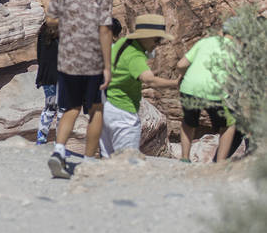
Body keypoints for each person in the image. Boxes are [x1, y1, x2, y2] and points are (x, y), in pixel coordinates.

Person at [45, 0, 115, 179]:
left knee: (70, 107)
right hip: (93, 59)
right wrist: (107, 66)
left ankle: (59, 151)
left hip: (68, 57)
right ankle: (88, 160)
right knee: (95, 108)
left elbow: (51, 18)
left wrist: (68, 24)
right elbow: (105, 29)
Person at [100, 14, 178, 157]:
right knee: (128, 160)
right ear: (146, 37)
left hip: (107, 108)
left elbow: (122, 69)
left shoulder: (122, 43)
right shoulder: (135, 56)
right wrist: (176, 83)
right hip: (124, 112)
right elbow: (150, 81)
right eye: (157, 39)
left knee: (107, 158)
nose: (158, 43)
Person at [177, 19, 243, 162]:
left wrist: (183, 77)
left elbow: (181, 64)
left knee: (189, 121)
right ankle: (219, 164)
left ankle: (184, 158)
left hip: (189, 87)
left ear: (223, 31)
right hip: (215, 92)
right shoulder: (237, 49)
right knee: (228, 125)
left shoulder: (205, 42)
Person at [35, 21, 60, 145]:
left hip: (46, 77)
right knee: (62, 110)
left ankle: (41, 139)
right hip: (61, 77)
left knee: (49, 108)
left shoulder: (43, 32)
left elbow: (39, 56)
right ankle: (60, 142)